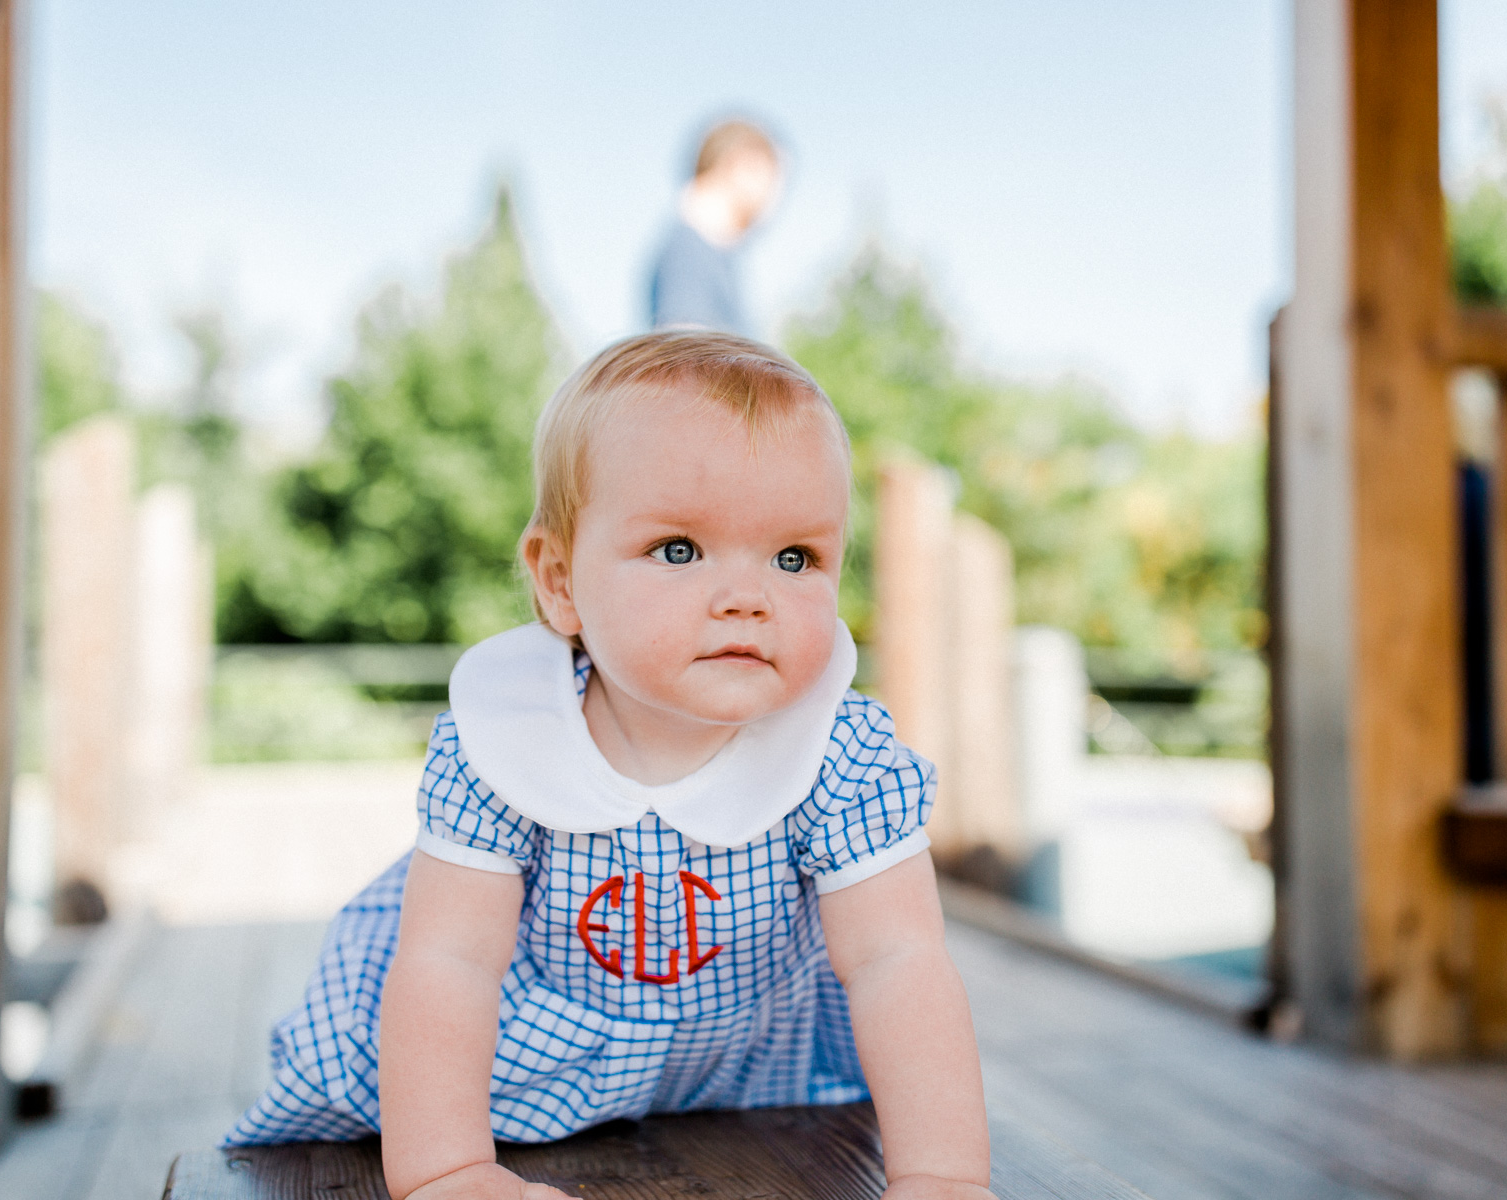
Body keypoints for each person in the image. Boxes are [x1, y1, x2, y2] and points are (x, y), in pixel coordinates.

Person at [225, 331, 994, 1200]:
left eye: (795, 558)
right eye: (678, 549)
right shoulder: (506, 745)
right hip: (508, 1058)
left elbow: (900, 961)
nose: (749, 595)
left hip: (735, 1065)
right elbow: (450, 963)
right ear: (559, 582)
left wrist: (944, 1179)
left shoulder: (840, 757)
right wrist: (448, 1170)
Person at [646, 120, 782, 334]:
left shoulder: (703, 254)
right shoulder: (689, 255)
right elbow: (687, 358)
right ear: (741, 164)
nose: (773, 201)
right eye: (771, 179)